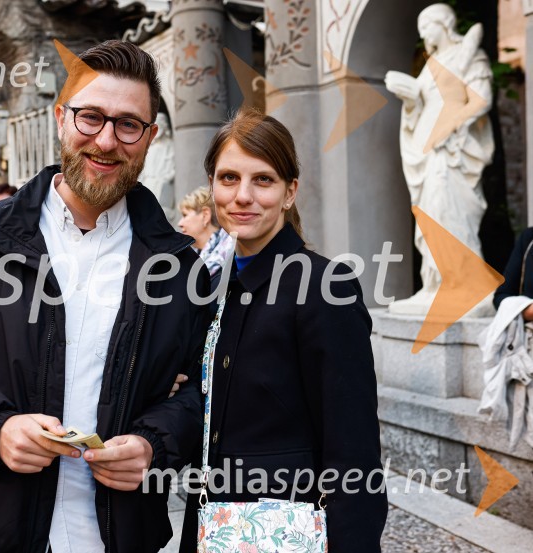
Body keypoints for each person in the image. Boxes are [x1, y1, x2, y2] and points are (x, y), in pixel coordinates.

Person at [0, 40, 209, 553]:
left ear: (149, 137)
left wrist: (156, 443)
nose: (106, 141)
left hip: (121, 534)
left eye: (128, 124)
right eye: (90, 117)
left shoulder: (177, 266)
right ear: (61, 118)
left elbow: (203, 390)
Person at [179, 109, 387, 552]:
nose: (243, 196)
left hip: (288, 531)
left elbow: (354, 451)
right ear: (212, 186)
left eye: (264, 180)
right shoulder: (215, 287)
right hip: (215, 529)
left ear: (290, 191)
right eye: (229, 178)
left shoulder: (324, 288)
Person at [385, 3, 494, 312]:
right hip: (429, 150)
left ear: (444, 24)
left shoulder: (471, 56)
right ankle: (436, 284)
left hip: (451, 152)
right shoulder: (432, 65)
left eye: (426, 26)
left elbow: (480, 101)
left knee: (450, 213)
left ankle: (467, 285)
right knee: (429, 215)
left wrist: (449, 127)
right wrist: (410, 99)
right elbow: (419, 109)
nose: (423, 34)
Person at [178, 186, 233, 290]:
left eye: (185, 215)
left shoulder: (232, 256)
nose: (180, 223)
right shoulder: (188, 260)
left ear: (205, 215)